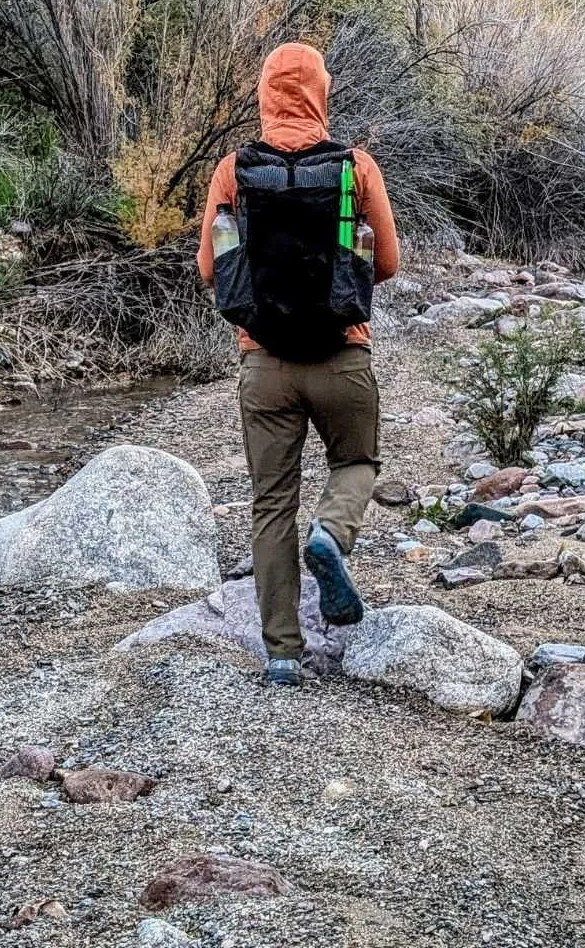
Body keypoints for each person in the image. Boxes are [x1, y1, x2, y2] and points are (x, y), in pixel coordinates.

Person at [197, 41, 399, 687]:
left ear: (264, 93)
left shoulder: (232, 170)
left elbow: (210, 269)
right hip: (343, 354)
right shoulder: (356, 167)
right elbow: (387, 264)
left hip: (264, 364)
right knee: (357, 462)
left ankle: (283, 652)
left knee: (270, 505)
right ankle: (332, 536)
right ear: (320, 91)